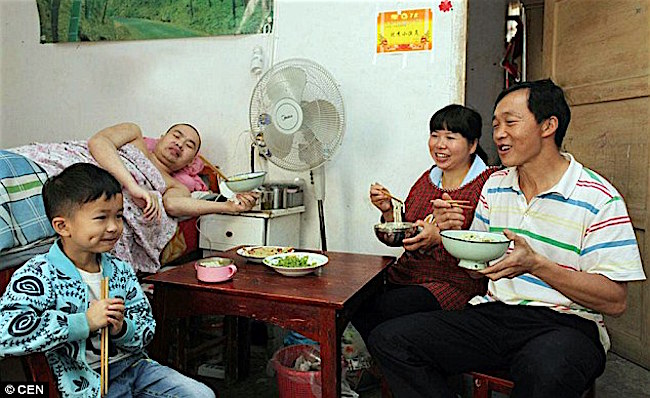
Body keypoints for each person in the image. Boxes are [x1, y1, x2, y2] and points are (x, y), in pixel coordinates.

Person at [367, 79, 646, 398]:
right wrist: (454, 235)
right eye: (496, 124)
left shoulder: (598, 198)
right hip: (494, 313)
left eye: (511, 122)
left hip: (567, 324)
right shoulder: (496, 185)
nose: (499, 133)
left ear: (548, 125)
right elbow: (477, 268)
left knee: (546, 370)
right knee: (389, 339)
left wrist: (537, 266)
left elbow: (615, 300)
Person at [0, 163, 215, 398]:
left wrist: (122, 328)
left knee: (201, 395)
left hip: (135, 368)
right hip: (82, 380)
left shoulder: (120, 270)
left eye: (119, 216)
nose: (114, 227)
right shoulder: (38, 274)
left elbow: (146, 329)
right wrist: (83, 322)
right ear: (63, 226)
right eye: (101, 217)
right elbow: (6, 335)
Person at [353, 105, 499, 341]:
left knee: (380, 311)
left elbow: (486, 248)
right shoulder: (427, 179)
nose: (440, 145)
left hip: (454, 282)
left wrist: (440, 239)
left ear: (472, 145)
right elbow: (407, 234)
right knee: (354, 301)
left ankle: (389, 370)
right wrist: (389, 212)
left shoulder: (488, 183)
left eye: (450, 137)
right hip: (408, 275)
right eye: (435, 135)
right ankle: (385, 370)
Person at [88, 122, 258, 220]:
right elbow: (98, 142)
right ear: (161, 138)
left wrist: (228, 206)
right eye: (176, 136)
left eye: (189, 145)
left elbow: (172, 205)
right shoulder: (133, 134)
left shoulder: (175, 186)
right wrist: (132, 186)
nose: (180, 144)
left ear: (191, 160)